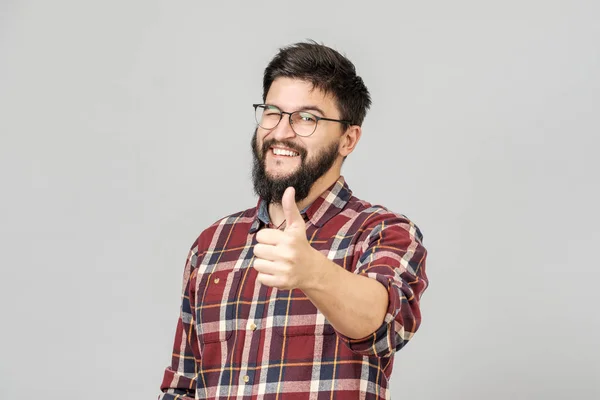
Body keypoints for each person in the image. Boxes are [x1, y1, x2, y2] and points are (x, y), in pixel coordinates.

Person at [158, 41, 428, 400]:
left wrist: (312, 273)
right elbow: (182, 387)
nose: (281, 132)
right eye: (273, 112)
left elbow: (383, 329)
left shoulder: (383, 232)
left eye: (306, 118)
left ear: (348, 139)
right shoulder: (212, 244)